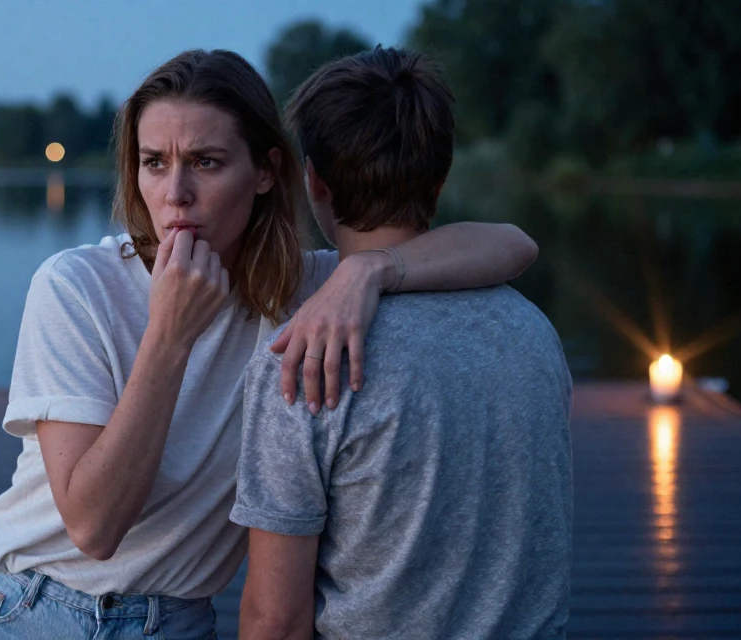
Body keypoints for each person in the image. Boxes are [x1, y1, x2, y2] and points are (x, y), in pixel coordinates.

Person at [0, 49, 539, 640]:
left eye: (206, 162)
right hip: (31, 612)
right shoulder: (76, 288)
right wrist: (170, 334)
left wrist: (368, 271)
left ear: (268, 172)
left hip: (178, 620)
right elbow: (95, 527)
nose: (175, 194)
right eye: (153, 162)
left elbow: (513, 246)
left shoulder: (302, 288)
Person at [232, 47, 573, 640]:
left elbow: (276, 623)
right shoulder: (533, 330)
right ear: (440, 181)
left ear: (315, 181)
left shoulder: (308, 360)